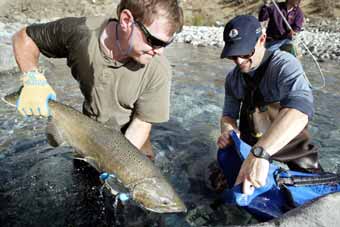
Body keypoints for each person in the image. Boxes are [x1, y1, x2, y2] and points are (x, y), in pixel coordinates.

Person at [12, 0, 184, 160]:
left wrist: (119, 164)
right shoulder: (81, 32)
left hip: (133, 147)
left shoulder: (159, 69)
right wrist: (32, 78)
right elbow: (24, 37)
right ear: (126, 20)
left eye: (166, 44)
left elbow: (141, 124)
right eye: (154, 41)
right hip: (86, 139)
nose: (160, 51)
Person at [216, 15, 322, 195]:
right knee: (215, 184)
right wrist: (228, 131)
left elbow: (300, 110)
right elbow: (228, 116)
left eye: (244, 52)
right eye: (233, 55)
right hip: (250, 150)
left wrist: (261, 153)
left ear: (262, 40)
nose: (239, 61)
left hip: (292, 153)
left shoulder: (285, 65)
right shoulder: (232, 79)